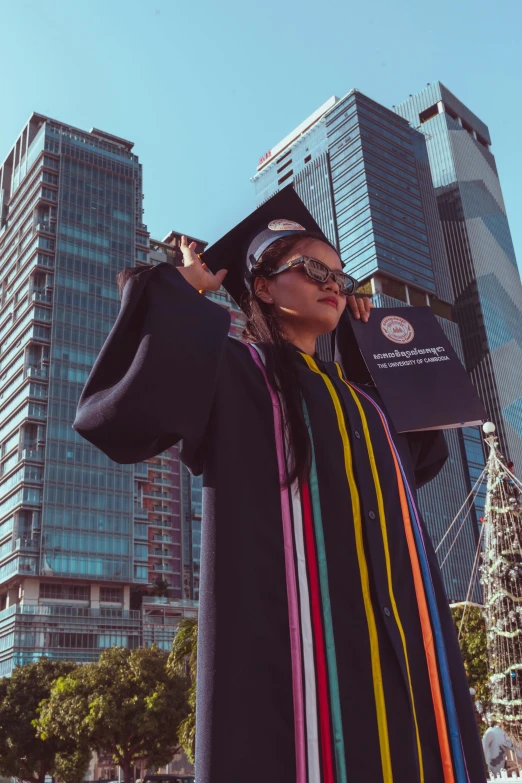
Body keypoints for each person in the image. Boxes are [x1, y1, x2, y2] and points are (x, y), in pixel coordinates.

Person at [74, 187, 484, 783]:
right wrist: (182, 290)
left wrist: (369, 351)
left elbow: (415, 470)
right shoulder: (235, 372)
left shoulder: (365, 404)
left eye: (341, 275)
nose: (334, 284)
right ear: (262, 286)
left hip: (403, 649)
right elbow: (120, 418)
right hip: (294, 654)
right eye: (312, 268)